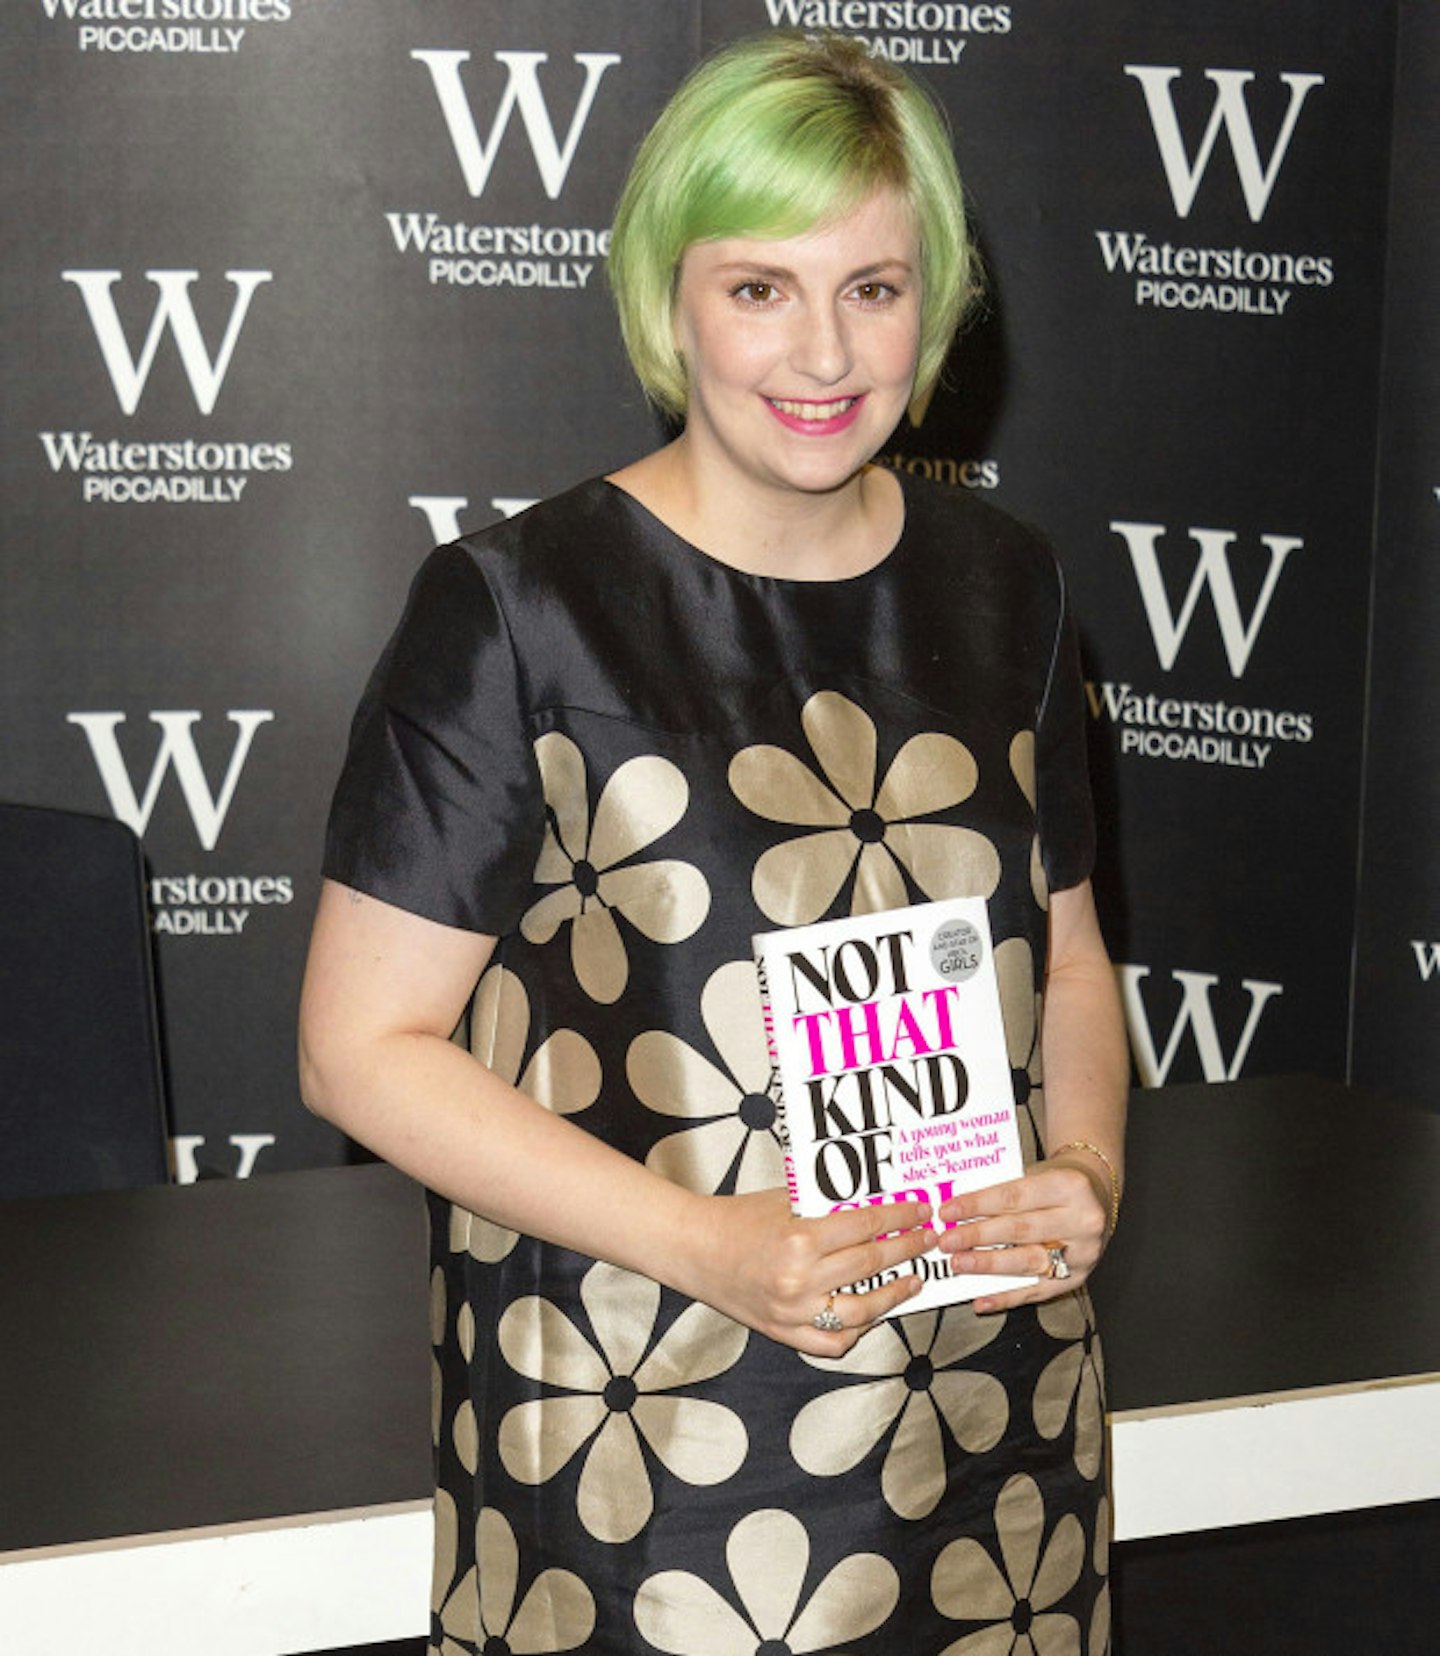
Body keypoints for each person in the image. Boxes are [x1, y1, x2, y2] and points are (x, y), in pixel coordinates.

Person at [300, 30, 1128, 1656]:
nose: (822, 348)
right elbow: (360, 1050)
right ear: (667, 299)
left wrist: (1086, 1172)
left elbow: (1075, 955)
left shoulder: (1010, 585)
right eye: (759, 288)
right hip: (647, 1457)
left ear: (939, 296)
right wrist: (714, 1247)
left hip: (995, 1449)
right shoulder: (519, 614)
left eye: (874, 288)